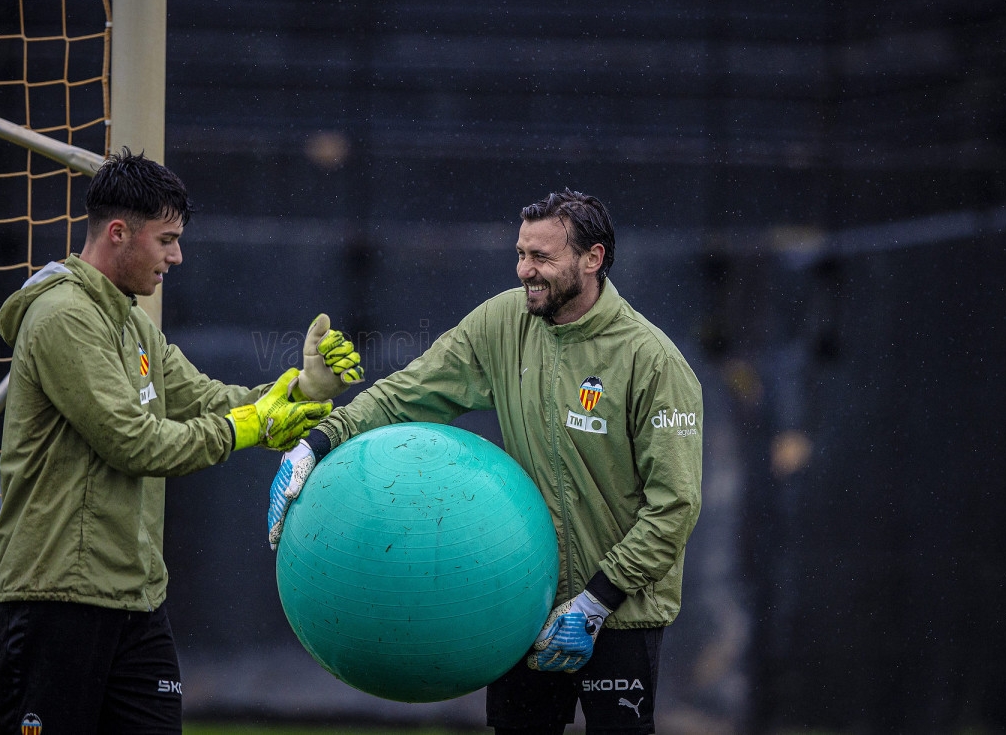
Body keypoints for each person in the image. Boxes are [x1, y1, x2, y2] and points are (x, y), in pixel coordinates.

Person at [268, 188, 703, 735]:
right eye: (521, 254)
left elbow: (675, 506)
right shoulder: (503, 322)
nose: (524, 270)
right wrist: (318, 443)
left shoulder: (654, 362)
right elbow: (410, 392)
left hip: (619, 614)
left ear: (592, 259)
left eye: (541, 257)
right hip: (520, 601)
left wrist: (596, 601)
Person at [0, 149, 363, 734]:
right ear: (118, 232)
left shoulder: (132, 321)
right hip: (57, 600)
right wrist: (252, 426)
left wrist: (299, 390)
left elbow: (206, 399)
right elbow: (135, 443)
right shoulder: (63, 316)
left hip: (136, 600)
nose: (177, 256)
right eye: (166, 240)